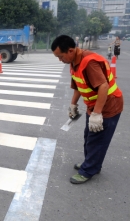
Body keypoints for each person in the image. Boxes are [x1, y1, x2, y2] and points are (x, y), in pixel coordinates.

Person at [51, 35, 123, 184]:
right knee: (89, 137)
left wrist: (97, 114)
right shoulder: (74, 62)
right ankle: (90, 163)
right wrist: (73, 105)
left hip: (108, 106)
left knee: (97, 140)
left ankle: (89, 169)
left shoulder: (89, 62)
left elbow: (103, 86)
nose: (60, 60)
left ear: (70, 50)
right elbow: (78, 85)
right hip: (94, 105)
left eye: (60, 56)